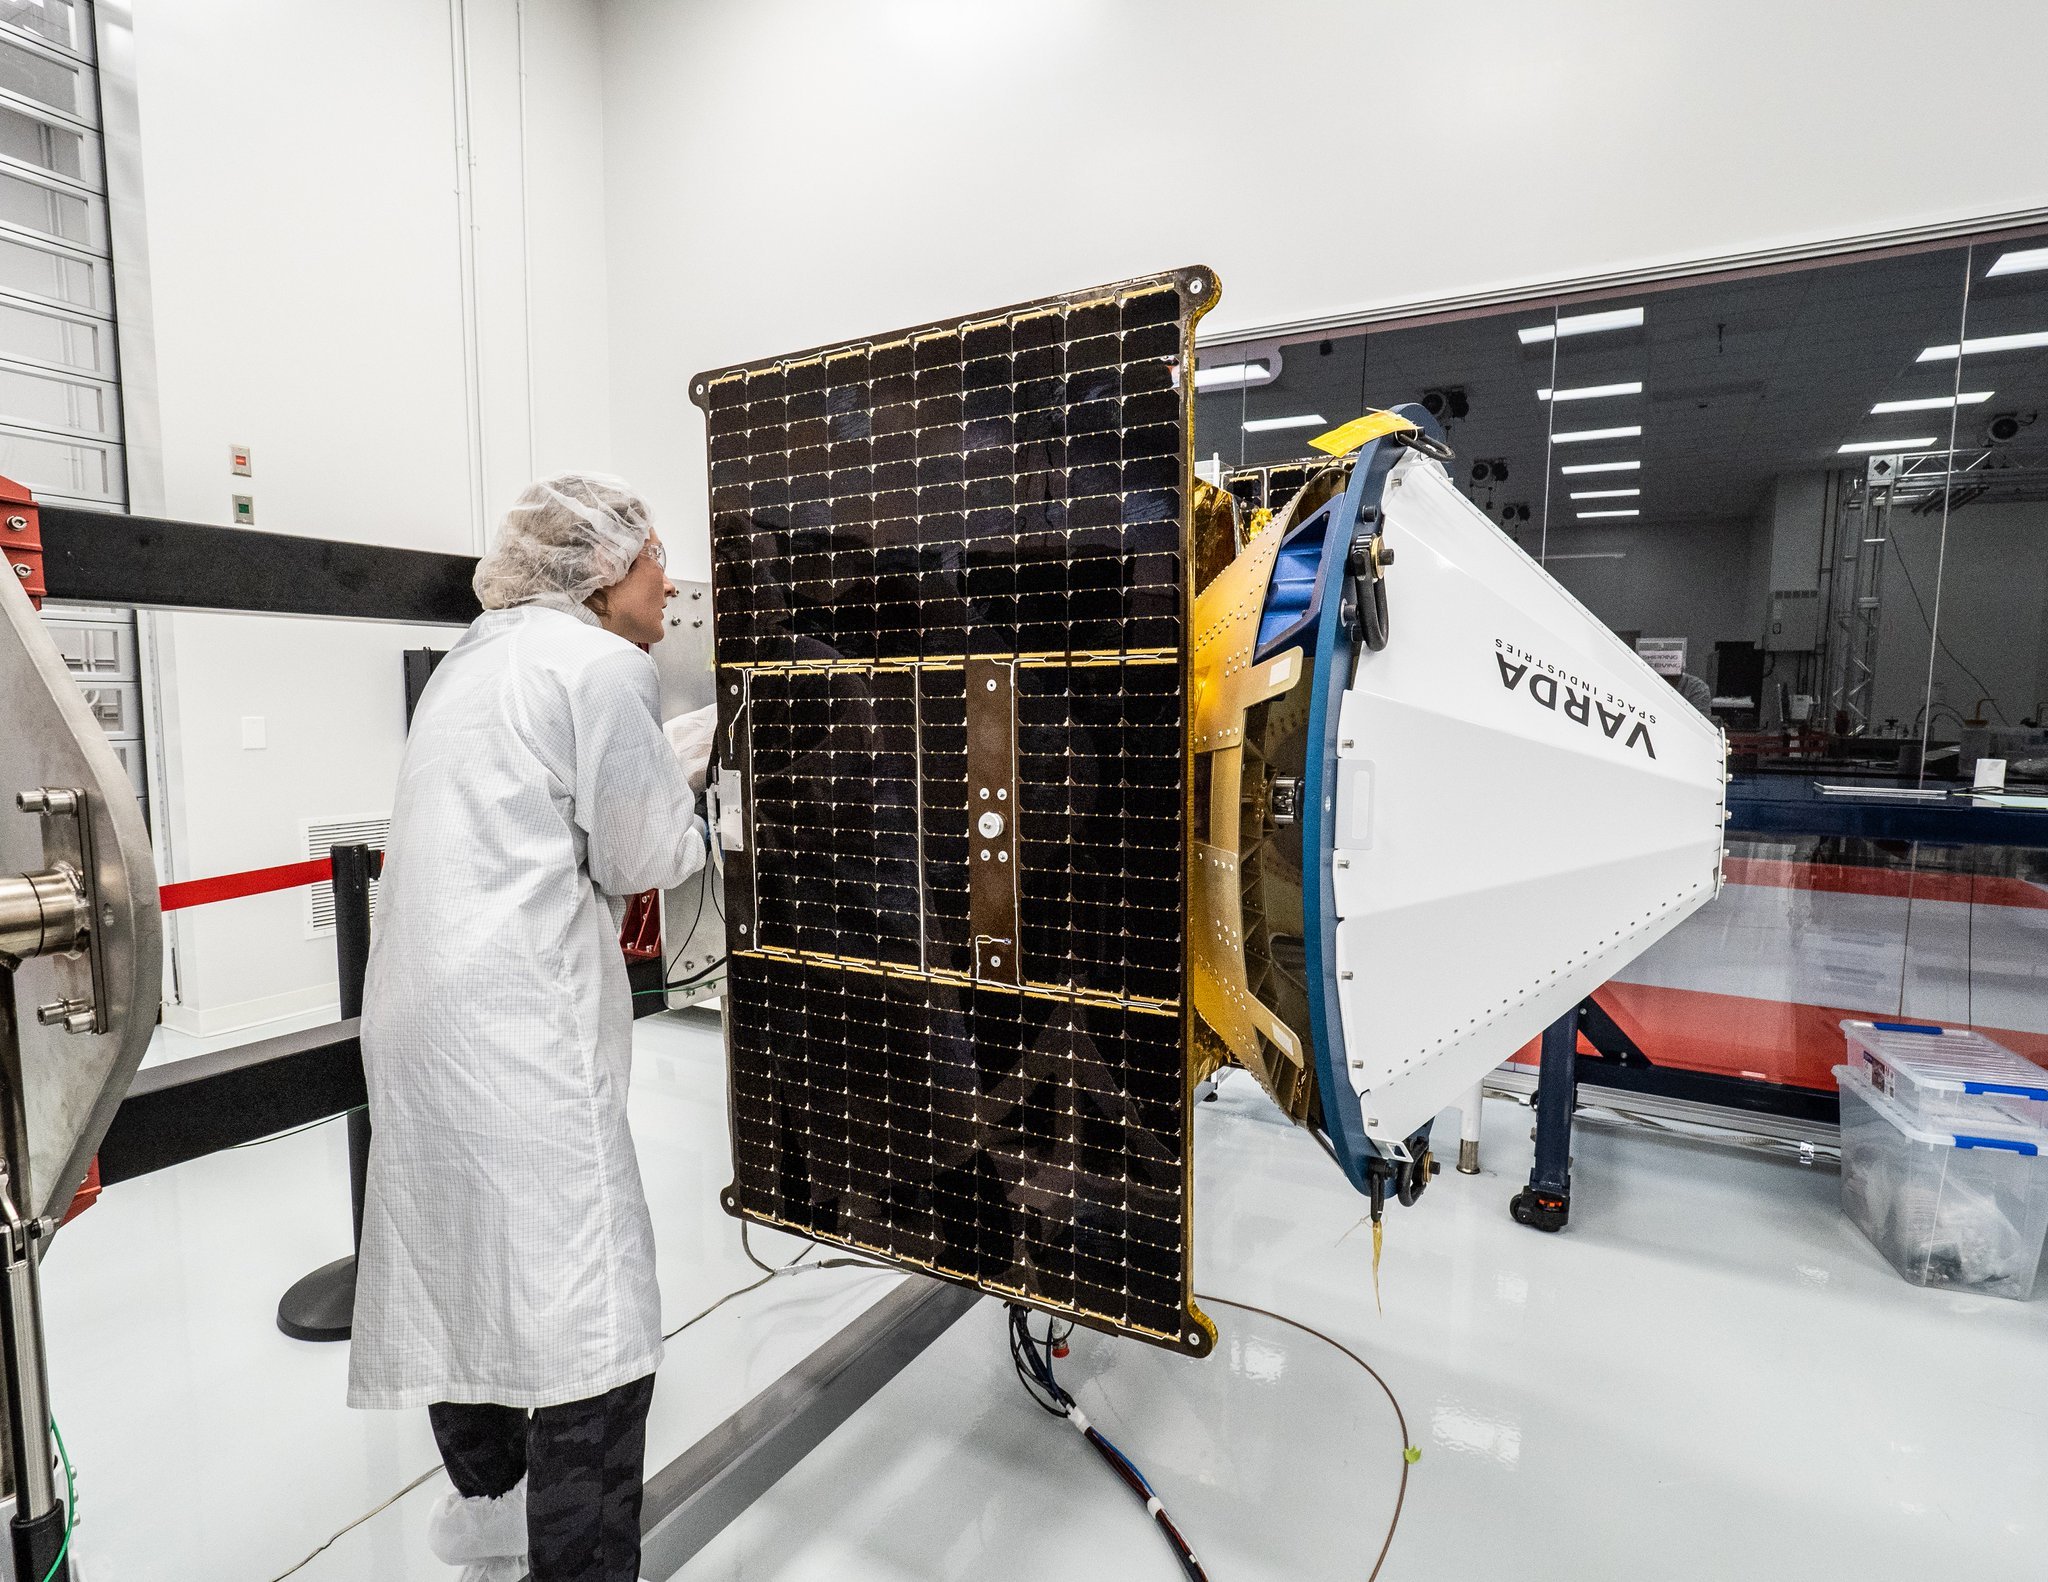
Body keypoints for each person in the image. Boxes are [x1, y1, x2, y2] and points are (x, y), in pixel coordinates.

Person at [347, 473, 717, 1582]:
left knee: (463, 1261)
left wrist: (666, 758)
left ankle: (489, 1513)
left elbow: (539, 793)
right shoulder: (608, 666)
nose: (670, 584)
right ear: (604, 570)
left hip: (417, 1017)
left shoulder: (475, 658)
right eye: (657, 560)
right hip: (517, 1031)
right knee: (591, 1316)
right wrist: (708, 798)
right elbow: (642, 856)